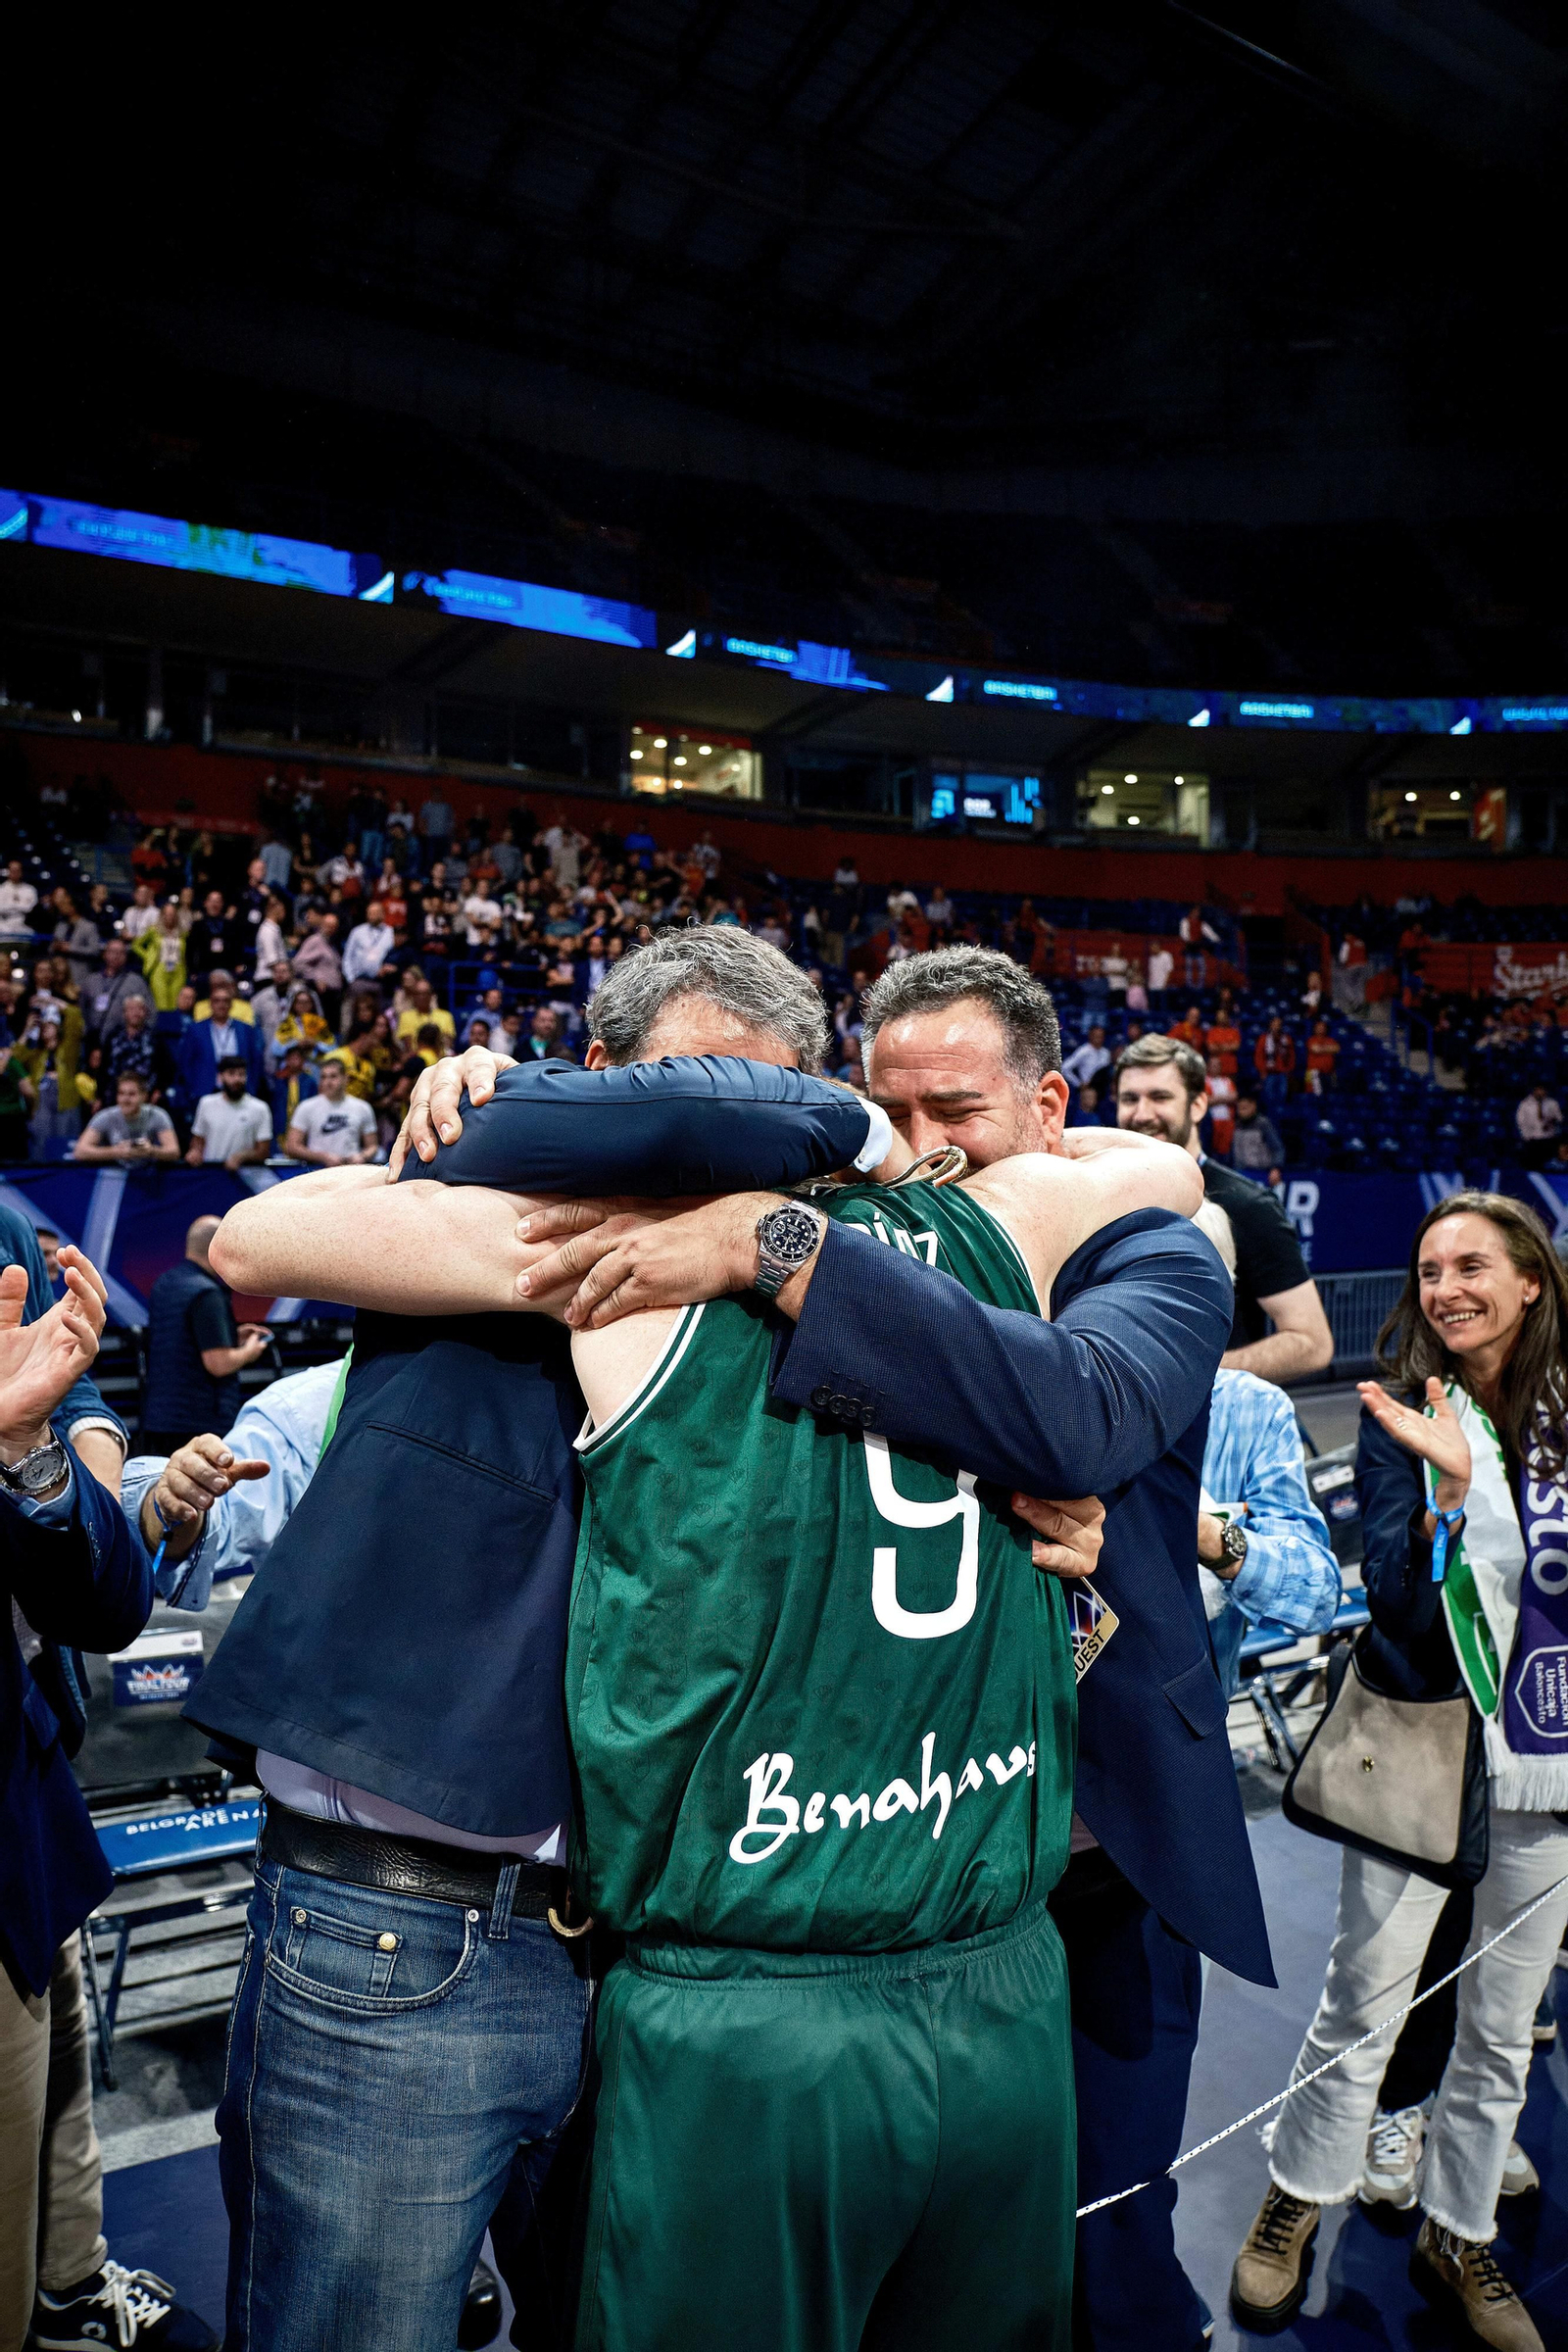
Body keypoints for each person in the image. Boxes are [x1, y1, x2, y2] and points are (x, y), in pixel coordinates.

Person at [402, 945, 1262, 2352]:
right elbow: (279, 1239)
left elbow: (1078, 1411)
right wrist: (510, 1095)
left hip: (1092, 1852)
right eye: (887, 1112)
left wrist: (776, 1241)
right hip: (850, 1867)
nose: (920, 1148)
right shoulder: (805, 1243)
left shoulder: (1141, 1245)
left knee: (1108, 2251)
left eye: (956, 1113)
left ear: (1048, 1108)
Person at [185, 936, 915, 2350]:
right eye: (692, 1098)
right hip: (399, 1932)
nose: (721, 1150)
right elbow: (251, 1241)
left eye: (760, 1112)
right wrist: (513, 1105)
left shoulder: (799, 1277)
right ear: (606, 1084)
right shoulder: (483, 1220)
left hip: (671, 1952)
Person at [1232, 1194, 1568, 2351]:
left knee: (1503, 2026)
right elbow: (1396, 1606)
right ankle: (1296, 2197)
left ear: (1531, 1279)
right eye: (1429, 1270)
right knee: (1364, 2000)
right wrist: (1449, 1507)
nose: (1444, 1289)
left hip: (1548, 1764)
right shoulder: (1406, 1412)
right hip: (1423, 1743)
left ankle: (1458, 2229)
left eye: (1471, 1266)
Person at [0, 1241, 219, 2352]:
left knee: (57, 2066)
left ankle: (74, 2290)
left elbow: (108, 1597)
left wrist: (36, 1445)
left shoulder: (5, 1228)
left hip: (30, 1776)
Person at [1115, 1036, 1334, 1385]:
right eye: (1130, 1099)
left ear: (1198, 1105)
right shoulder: (1102, 1196)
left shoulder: (1247, 1206)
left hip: (1210, 1414)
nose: (1141, 1114)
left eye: (1160, 1097)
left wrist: (1187, 1379)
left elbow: (1312, 1343)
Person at [1190, 1205, 1341, 1696]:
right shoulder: (1062, 1395)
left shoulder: (1250, 1409)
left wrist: (1213, 1538)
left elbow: (1316, 1596)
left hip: (1194, 1712)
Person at [138, 1215, 270, 1456]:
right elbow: (218, 1364)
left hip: (160, 1418)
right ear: (219, 1247)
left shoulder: (165, 1284)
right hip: (199, 1422)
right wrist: (249, 1351)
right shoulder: (207, 1293)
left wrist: (229, 1335)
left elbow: (181, 1338)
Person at [177, 973, 266, 1105]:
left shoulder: (245, 1029)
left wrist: (251, 1086)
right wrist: (193, 1088)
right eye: (217, 1001)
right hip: (205, 1091)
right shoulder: (195, 1030)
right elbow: (186, 1062)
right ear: (210, 1004)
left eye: (225, 1001)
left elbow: (255, 1060)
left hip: (239, 1090)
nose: (221, 1005)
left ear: (231, 1005)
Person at [282, 1054, 377, 1164]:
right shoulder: (306, 1107)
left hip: (350, 1168)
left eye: (333, 1076)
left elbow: (372, 1146)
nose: (328, 1082)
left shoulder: (362, 1107)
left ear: (345, 1078)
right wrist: (322, 1157)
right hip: (317, 1168)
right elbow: (292, 1146)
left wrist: (363, 1156)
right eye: (323, 1077)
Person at [185, 1055, 274, 1173]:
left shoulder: (260, 1108)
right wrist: (195, 1152)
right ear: (220, 1077)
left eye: (241, 1074)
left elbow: (263, 1151)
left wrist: (241, 1157)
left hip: (246, 1176)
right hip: (211, 1173)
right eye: (231, 1074)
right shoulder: (206, 1103)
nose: (237, 1079)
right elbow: (198, 1139)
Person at [74, 1071, 178, 1166]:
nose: (125, 1099)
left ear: (144, 1096)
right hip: (114, 1175)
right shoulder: (106, 1116)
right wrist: (115, 1152)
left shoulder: (157, 1115)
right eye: (121, 1093)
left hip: (147, 1175)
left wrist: (151, 1151)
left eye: (131, 1094)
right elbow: (80, 1151)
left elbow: (174, 1151)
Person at [83, 939, 152, 1043]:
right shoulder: (91, 981)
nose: (116, 956)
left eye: (121, 953)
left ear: (126, 957)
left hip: (124, 1043)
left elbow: (150, 1013)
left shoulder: (136, 982)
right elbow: (83, 1011)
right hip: (94, 1042)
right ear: (104, 954)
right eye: (113, 952)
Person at [1231, 1090, 1286, 1181]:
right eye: (1239, 1108)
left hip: (1261, 1173)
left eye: (1245, 1108)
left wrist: (1276, 1168)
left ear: (1253, 1106)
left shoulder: (1263, 1124)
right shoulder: (1237, 1126)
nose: (1242, 1112)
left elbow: (1277, 1148)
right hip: (1241, 1173)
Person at [1516, 1083, 1562, 1169]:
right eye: (1538, 1090)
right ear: (1534, 1090)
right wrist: (1526, 1136)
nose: (1540, 1092)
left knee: (1547, 1164)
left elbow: (1559, 1118)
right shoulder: (1525, 1104)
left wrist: (1551, 1121)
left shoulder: (1552, 1103)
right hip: (1532, 1139)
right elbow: (1520, 1122)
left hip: (1549, 1138)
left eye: (1542, 1090)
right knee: (1533, 1164)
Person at [1062, 1022, 1110, 1092]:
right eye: (1096, 1036)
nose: (1098, 1039)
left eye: (1100, 1036)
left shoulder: (1106, 1053)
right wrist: (1078, 1084)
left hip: (1103, 1088)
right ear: (1090, 1036)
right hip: (1088, 1087)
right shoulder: (1083, 1051)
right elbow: (1065, 1068)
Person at [0, 858, 38, 943]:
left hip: (24, 927)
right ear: (8, 871)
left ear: (21, 872)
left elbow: (31, 909)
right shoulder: (1, 889)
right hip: (4, 927)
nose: (15, 873)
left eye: (17, 870)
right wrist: (20, 907)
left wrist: (11, 906)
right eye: (12, 870)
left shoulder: (30, 890)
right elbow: (1, 909)